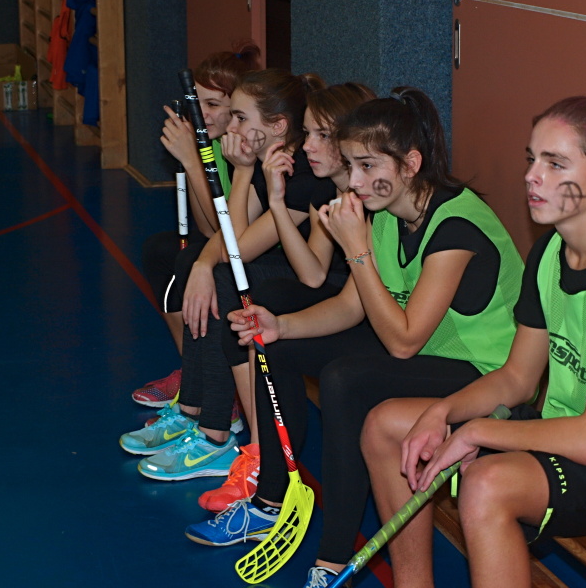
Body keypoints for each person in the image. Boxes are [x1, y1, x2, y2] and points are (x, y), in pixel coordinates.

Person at [361, 89, 586, 588]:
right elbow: (518, 379)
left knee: (486, 485)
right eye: (532, 159)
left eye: (555, 163)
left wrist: (475, 432)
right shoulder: (551, 253)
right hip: (566, 430)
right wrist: (444, 412)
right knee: (387, 424)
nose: (531, 176)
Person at [184, 87, 524, 588]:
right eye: (352, 166)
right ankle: (268, 501)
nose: (356, 181)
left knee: (346, 380)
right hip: (430, 356)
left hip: (485, 373)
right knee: (274, 345)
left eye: (367, 166)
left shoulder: (456, 227)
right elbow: (350, 306)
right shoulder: (388, 212)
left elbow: (403, 343)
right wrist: (281, 326)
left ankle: (333, 559)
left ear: (411, 163)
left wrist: (357, 250)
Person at [120, 70, 331, 490]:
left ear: (277, 126)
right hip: (278, 266)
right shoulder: (265, 161)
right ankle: (194, 409)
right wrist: (202, 261)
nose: (232, 128)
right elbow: (229, 234)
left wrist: (240, 173)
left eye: (239, 118)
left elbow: (238, 249)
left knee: (222, 278)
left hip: (316, 283)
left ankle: (215, 433)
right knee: (199, 265)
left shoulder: (300, 175)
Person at [196, 82, 377, 512]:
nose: (307, 145)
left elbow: (325, 285)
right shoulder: (325, 190)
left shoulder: (369, 201)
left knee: (263, 304)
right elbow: (312, 273)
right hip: (335, 292)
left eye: (320, 135)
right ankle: (255, 452)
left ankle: (262, 461)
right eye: (307, 133)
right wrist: (276, 202)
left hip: (361, 307)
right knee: (251, 309)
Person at [133, 44, 260, 407]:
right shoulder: (213, 144)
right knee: (160, 250)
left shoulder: (244, 149)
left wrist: (191, 161)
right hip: (225, 239)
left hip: (256, 249)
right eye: (197, 102)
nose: (200, 113)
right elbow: (207, 228)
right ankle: (196, 372)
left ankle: (212, 389)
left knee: (191, 264)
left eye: (213, 105)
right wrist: (194, 162)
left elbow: (229, 232)